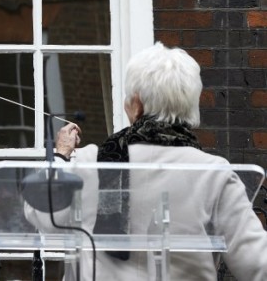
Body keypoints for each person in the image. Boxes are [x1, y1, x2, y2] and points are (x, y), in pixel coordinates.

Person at [24, 42, 267, 281]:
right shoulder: (213, 173)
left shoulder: (91, 163)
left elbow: (40, 216)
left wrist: (61, 154)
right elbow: (257, 263)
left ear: (136, 104)